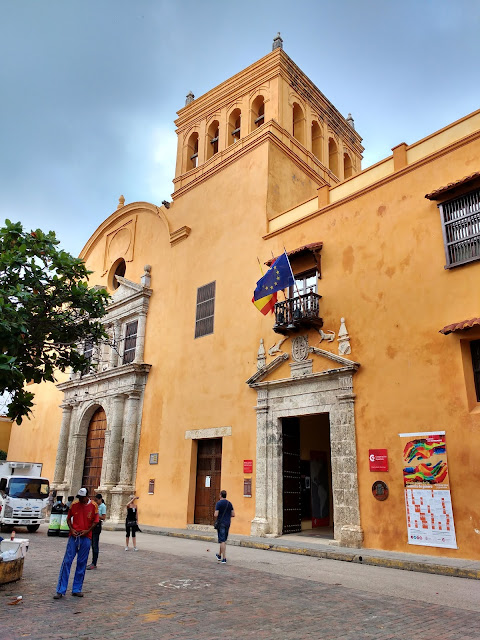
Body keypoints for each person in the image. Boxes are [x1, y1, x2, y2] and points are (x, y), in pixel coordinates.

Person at [53, 488, 99, 599]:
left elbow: (96, 521)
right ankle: (61, 590)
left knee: (82, 563)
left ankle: (77, 589)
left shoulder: (93, 506)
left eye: (82, 497)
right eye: (79, 497)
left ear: (87, 496)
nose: (80, 499)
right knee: (67, 561)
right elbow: (69, 519)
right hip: (73, 537)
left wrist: (87, 531)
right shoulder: (74, 505)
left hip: (86, 537)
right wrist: (72, 529)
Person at [214, 490, 235, 564]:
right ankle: (219, 555)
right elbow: (233, 514)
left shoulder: (218, 503)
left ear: (220, 495)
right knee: (223, 539)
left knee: (222, 540)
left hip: (221, 523)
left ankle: (224, 558)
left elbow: (216, 514)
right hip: (227, 523)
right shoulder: (229, 503)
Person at [86, 494, 106, 570]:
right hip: (93, 525)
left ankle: (94, 563)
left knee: (95, 545)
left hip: (97, 525)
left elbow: (103, 517)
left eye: (97, 500)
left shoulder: (103, 506)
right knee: (91, 544)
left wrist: (96, 515)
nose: (96, 502)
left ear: (100, 499)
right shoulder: (95, 506)